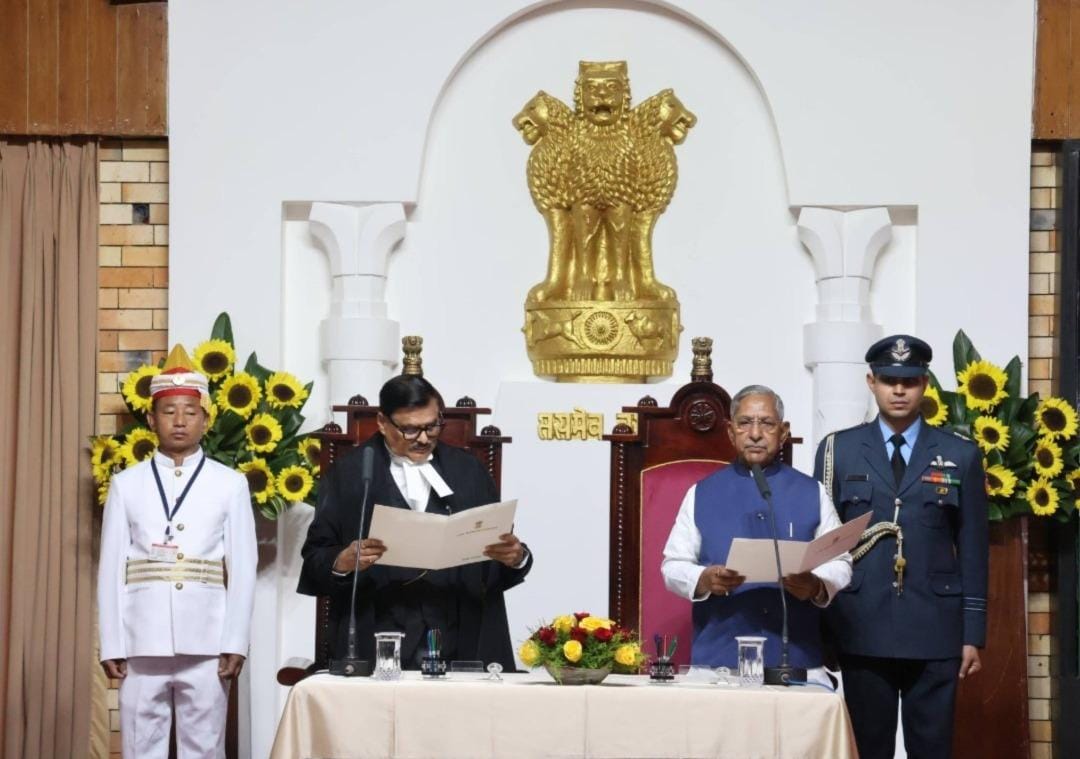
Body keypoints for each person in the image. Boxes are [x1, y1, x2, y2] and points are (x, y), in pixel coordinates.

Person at [814, 335, 988, 759]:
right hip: (860, 623)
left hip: (935, 626)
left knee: (932, 748)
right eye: (889, 379)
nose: (898, 390)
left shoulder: (959, 454)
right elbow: (822, 543)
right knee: (866, 748)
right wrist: (822, 632)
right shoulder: (839, 449)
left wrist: (973, 634)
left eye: (908, 381)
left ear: (924, 383)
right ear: (870, 381)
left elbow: (973, 545)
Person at [298, 375, 533, 670]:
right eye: (410, 429)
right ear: (383, 422)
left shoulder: (468, 469)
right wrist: (343, 562)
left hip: (461, 634)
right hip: (379, 636)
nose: (423, 438)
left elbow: (497, 555)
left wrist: (517, 557)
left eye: (432, 425)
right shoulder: (351, 474)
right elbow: (315, 559)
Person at [98, 346, 257, 759]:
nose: (180, 421)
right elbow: (111, 567)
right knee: (139, 743)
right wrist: (112, 642)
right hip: (141, 637)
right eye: (169, 411)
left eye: (190, 411)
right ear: (151, 419)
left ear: (206, 419)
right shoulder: (126, 484)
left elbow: (243, 566)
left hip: (207, 640)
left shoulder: (230, 484)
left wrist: (235, 641)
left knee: (204, 746)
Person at [661, 385, 852, 683]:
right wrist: (704, 579)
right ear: (730, 431)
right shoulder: (702, 493)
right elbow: (672, 565)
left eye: (766, 423)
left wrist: (816, 585)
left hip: (797, 658)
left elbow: (840, 560)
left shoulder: (811, 491)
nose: (755, 433)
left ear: (783, 431)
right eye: (745, 423)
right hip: (718, 660)